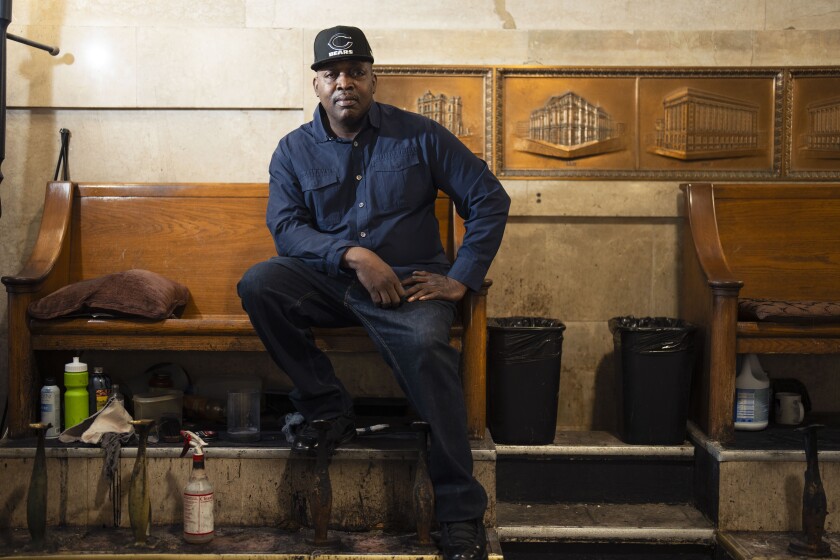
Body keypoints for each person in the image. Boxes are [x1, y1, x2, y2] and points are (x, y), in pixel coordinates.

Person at [237, 25, 510, 560]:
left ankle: (459, 511)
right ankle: (325, 404)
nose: (345, 83)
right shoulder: (292, 151)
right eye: (333, 73)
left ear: (373, 80)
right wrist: (354, 256)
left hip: (408, 287)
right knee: (261, 284)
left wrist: (461, 276)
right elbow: (287, 229)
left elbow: (488, 198)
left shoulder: (421, 136)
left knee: (430, 351)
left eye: (356, 72)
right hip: (333, 280)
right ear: (316, 83)